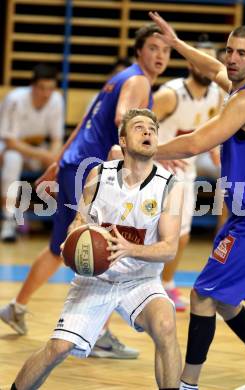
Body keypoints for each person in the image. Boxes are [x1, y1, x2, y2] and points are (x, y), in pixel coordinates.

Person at [0, 23, 171, 360]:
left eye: (166, 50)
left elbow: (83, 123)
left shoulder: (118, 79)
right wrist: (150, 155)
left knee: (60, 246)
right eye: (154, 47)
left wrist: (59, 160)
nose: (161, 55)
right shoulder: (137, 80)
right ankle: (99, 333)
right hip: (91, 168)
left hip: (73, 164)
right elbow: (125, 121)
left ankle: (16, 307)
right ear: (139, 51)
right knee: (102, 245)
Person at [149, 12, 245, 390]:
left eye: (241, 53)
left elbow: (198, 142)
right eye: (230, 51)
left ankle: (188, 383)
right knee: (226, 300)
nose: (232, 59)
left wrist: (143, 151)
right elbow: (212, 66)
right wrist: (177, 44)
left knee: (202, 294)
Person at [10, 108, 183, 390]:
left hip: (141, 280)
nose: (148, 131)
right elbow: (80, 219)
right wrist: (72, 240)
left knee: (165, 326)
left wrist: (128, 249)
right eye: (139, 127)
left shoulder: (169, 186)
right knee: (58, 348)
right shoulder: (99, 174)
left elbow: (168, 248)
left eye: (152, 128)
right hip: (96, 279)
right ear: (123, 142)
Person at [152, 35, 223, 311]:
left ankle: (166, 284)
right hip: (159, 168)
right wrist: (157, 152)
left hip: (187, 169)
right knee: (159, 232)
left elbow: (213, 130)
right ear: (191, 62)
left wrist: (216, 152)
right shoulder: (170, 95)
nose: (206, 68)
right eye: (201, 61)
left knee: (182, 235)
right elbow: (137, 129)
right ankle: (146, 286)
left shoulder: (217, 95)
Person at [0, 63, 64, 242]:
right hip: (8, 147)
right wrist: (43, 155)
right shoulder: (15, 99)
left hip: (35, 149)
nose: (46, 93)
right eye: (42, 88)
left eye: (50, 89)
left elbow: (56, 139)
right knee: (13, 160)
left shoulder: (57, 100)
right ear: (33, 86)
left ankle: (63, 218)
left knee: (61, 163)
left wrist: (52, 158)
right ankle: (8, 218)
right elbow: (10, 141)